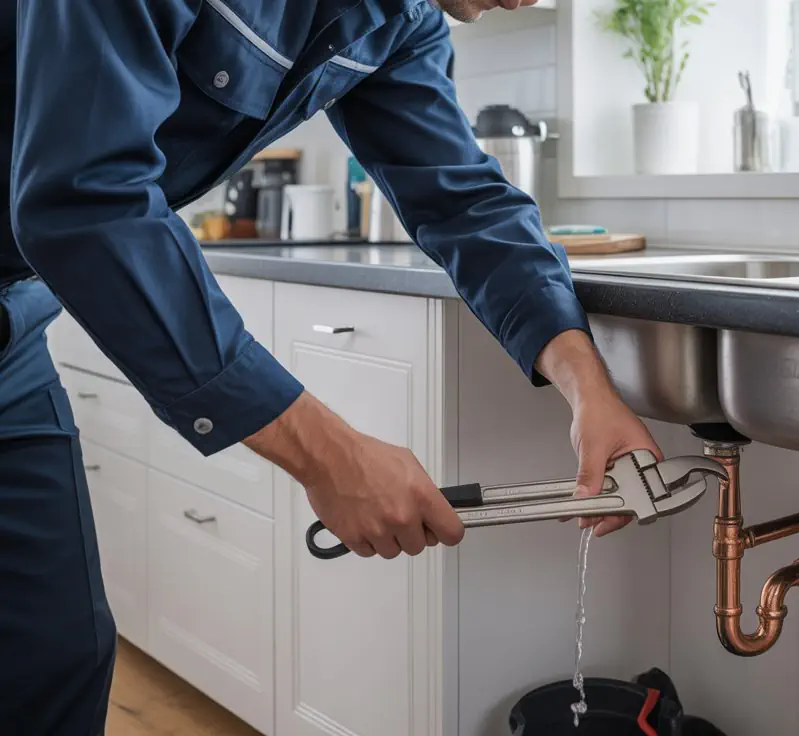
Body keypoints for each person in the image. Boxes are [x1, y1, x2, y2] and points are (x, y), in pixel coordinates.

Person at [0, 0, 661, 731]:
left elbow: (464, 202)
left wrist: (587, 387)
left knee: (51, 660)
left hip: (12, 332)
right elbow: (87, 205)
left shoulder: (401, 21)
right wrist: (333, 458)